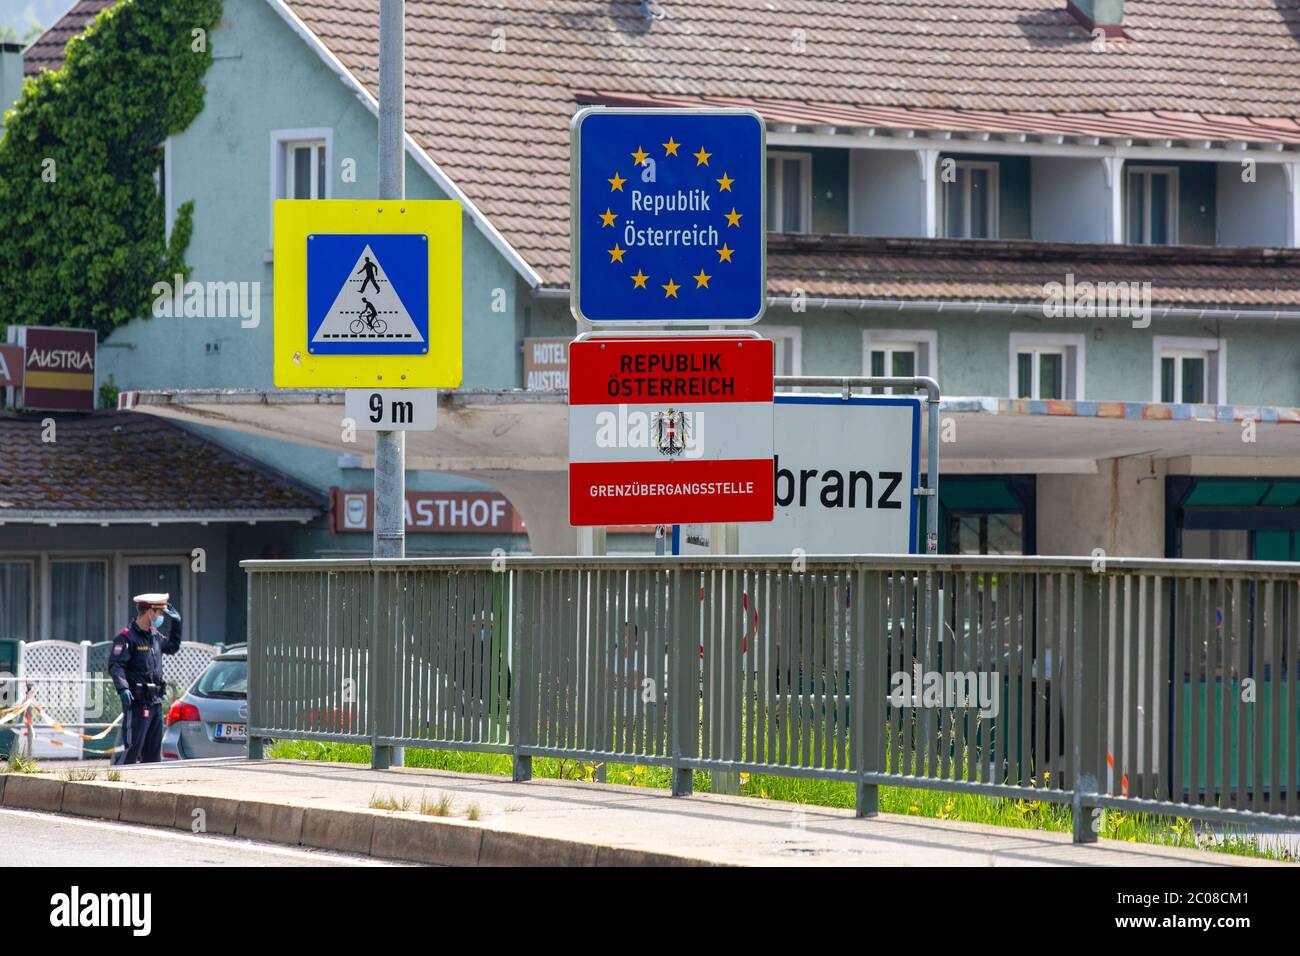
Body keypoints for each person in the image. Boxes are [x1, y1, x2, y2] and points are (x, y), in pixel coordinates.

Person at [108, 593, 182, 764]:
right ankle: (118, 783)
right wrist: (123, 688)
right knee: (132, 751)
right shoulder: (127, 638)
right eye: (160, 613)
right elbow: (116, 666)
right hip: (137, 704)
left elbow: (172, 647)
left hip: (156, 703)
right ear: (150, 613)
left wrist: (177, 624)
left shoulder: (154, 636)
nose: (161, 617)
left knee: (153, 757)